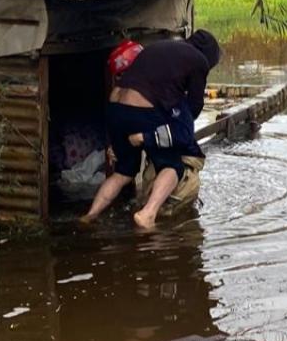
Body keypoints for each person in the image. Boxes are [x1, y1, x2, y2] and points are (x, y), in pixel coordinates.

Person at [83, 30, 222, 228]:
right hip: (142, 110)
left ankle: (90, 215)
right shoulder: (199, 60)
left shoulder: (162, 47)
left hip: (115, 108)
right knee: (172, 165)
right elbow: (194, 106)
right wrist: (174, 131)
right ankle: (148, 214)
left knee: (123, 172)